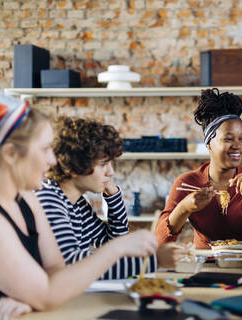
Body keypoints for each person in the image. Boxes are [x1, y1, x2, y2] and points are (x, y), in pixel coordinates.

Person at [0, 93, 159, 319]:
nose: (52, 160)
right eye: (44, 149)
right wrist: (121, 250)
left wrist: (34, 298)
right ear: (11, 154)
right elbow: (49, 291)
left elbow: (58, 275)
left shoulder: (28, 199)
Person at [36, 116, 184, 279]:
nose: (111, 172)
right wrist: (152, 261)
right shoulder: (49, 199)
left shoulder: (76, 203)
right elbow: (70, 267)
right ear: (75, 165)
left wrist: (114, 199)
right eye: (103, 164)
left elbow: (110, 244)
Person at [155, 88, 242, 249]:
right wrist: (184, 208)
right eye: (228, 139)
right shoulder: (187, 183)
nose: (237, 146)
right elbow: (160, 241)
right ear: (208, 144)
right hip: (205, 266)